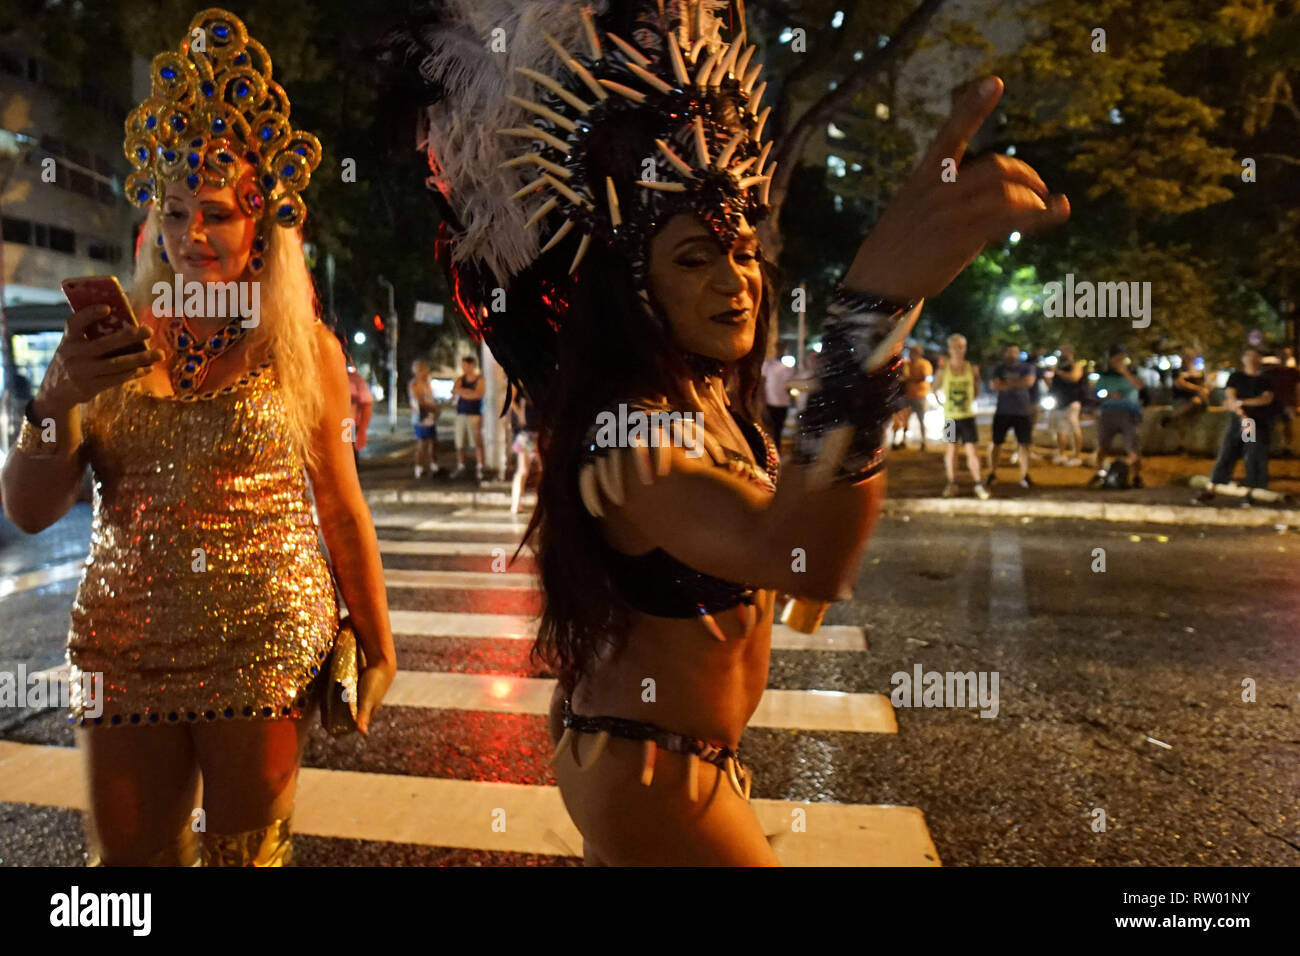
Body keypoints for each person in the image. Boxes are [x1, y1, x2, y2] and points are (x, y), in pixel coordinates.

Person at [405, 0, 1068, 864]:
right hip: (649, 776)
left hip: (674, 761)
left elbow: (795, 572)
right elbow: (804, 556)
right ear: (632, 289)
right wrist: (869, 316)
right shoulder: (630, 439)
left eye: (742, 248)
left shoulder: (705, 403)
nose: (736, 278)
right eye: (693, 257)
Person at [0, 9, 395, 866]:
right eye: (174, 213)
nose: (191, 237)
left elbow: (340, 503)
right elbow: (28, 510)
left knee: (245, 860)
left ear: (261, 223)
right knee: (128, 873)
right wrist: (61, 393)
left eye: (214, 213)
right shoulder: (113, 340)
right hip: (121, 638)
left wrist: (377, 636)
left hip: (261, 637)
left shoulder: (302, 346)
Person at [1200, 345, 1275, 499]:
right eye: (1248, 355)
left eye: (1255, 356)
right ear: (1243, 359)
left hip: (1253, 423)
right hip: (1241, 421)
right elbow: (1230, 397)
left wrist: (1241, 404)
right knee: (1228, 451)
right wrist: (1241, 411)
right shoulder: (1236, 377)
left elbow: (1265, 399)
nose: (1251, 359)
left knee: (1252, 454)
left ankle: (1252, 489)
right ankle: (1214, 485)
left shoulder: (1264, 380)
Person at [934, 333, 989, 498]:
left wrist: (977, 379)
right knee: (951, 450)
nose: (958, 350)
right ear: (949, 349)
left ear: (964, 348)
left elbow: (976, 393)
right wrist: (942, 403)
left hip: (967, 416)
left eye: (961, 346)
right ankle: (951, 483)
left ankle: (979, 484)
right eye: (954, 347)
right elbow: (934, 388)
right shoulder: (944, 369)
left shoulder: (971, 368)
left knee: (972, 450)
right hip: (950, 418)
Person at [1088, 344, 1145, 488]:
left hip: (1128, 412)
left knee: (1132, 447)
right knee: (1102, 445)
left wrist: (1125, 372)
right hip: (1108, 411)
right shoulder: (1105, 375)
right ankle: (1099, 473)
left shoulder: (1134, 372)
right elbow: (1096, 392)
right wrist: (1107, 394)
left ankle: (1136, 476)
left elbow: (1140, 386)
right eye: (1116, 358)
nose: (1119, 361)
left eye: (1122, 358)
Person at [986, 343, 1037, 488]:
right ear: (1004, 354)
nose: (1012, 355)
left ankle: (1024, 475)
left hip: (1021, 411)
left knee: (1024, 444)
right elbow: (996, 385)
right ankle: (992, 472)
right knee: (996, 442)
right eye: (1009, 352)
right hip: (1002, 411)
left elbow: (1028, 382)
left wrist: (1007, 383)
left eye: (1015, 352)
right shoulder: (999, 369)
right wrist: (1017, 383)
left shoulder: (1027, 367)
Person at [1161, 347, 1210, 445]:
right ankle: (1182, 444)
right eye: (1186, 356)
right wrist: (1197, 388)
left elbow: (1204, 388)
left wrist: (1201, 390)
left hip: (1197, 400)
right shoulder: (1177, 371)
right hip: (1181, 399)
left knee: (1196, 402)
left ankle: (1171, 416)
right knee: (1191, 408)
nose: (1188, 358)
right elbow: (1179, 384)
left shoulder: (1199, 372)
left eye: (1190, 356)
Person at [1047, 343, 1085, 465]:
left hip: (1072, 402)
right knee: (1060, 429)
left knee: (1074, 428)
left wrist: (1057, 372)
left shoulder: (1076, 366)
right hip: (1059, 402)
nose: (1060, 354)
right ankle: (1061, 454)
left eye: (1062, 352)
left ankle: (1076, 455)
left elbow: (1074, 377)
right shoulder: (1060, 367)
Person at [451, 355, 485, 479]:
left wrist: (462, 392)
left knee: (476, 442)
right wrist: (467, 393)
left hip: (474, 415)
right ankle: (461, 466)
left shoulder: (480, 380)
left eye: (465, 365)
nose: (463, 368)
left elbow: (477, 394)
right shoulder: (460, 379)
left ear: (472, 365)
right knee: (459, 442)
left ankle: (480, 467)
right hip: (461, 414)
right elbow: (454, 391)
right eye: (462, 365)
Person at [893, 344, 932, 450]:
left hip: (920, 396)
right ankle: (903, 440)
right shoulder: (907, 363)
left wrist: (908, 378)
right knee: (905, 419)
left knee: (921, 419)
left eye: (912, 353)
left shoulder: (924, 364)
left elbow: (923, 377)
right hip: (908, 395)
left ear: (918, 354)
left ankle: (923, 441)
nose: (910, 355)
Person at [509, 390, 541, 514]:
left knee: (522, 471)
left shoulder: (523, 395)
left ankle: (515, 504)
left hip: (525, 434)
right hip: (535, 435)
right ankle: (542, 503)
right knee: (542, 470)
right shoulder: (540, 393)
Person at [1261, 349, 1299, 452]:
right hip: (1274, 402)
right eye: (1282, 355)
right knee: (1274, 425)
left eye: (1286, 355)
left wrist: (1295, 403)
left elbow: (1297, 388)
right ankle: (1275, 446)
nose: (1284, 357)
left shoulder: (1293, 372)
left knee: (1287, 425)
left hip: (1288, 403)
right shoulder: (1271, 371)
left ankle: (1287, 446)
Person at [409, 358, 440, 478]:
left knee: (433, 441)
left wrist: (435, 409)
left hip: (429, 417)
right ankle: (419, 468)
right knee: (422, 443)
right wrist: (434, 408)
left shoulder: (427, 383)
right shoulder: (415, 384)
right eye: (423, 369)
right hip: (421, 417)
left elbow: (429, 399)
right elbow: (420, 401)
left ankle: (433, 465)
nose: (426, 371)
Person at [760, 350, 794, 450]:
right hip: (770, 403)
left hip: (782, 404)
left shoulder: (787, 369)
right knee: (769, 430)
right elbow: (762, 383)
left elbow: (789, 386)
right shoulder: (768, 365)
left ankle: (776, 454)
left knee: (778, 430)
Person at [345, 350, 374, 469]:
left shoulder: (355, 380)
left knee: (347, 459)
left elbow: (366, 404)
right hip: (324, 425)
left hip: (346, 423)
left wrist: (362, 431)